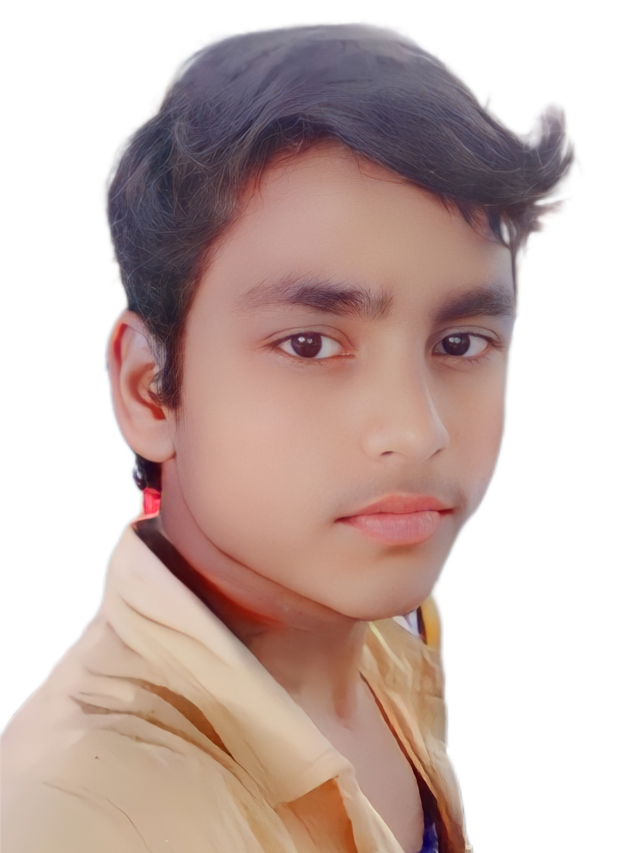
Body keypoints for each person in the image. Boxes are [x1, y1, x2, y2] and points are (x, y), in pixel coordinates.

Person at [0, 19, 582, 853]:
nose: (415, 431)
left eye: (459, 343)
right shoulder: (84, 817)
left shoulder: (390, 630)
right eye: (309, 344)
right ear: (149, 387)